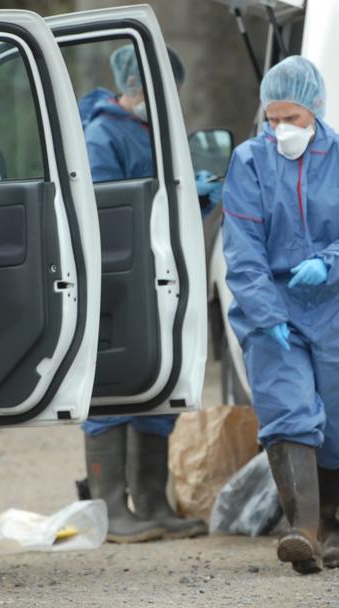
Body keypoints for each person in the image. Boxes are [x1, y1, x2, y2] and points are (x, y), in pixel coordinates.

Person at [221, 56, 339, 573]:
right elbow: (242, 244)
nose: (281, 129)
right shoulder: (250, 161)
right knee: (289, 413)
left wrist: (330, 261)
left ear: (314, 109)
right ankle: (303, 532)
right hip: (273, 307)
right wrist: (264, 310)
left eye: (291, 118)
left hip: (336, 304)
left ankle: (332, 535)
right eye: (273, 119)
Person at [79, 44, 217, 543]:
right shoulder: (101, 135)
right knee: (111, 389)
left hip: (157, 277)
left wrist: (194, 202)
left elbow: (165, 217)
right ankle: (112, 509)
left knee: (157, 385)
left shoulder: (154, 133)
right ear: (137, 87)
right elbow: (109, 213)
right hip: (117, 281)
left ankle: (153, 503)